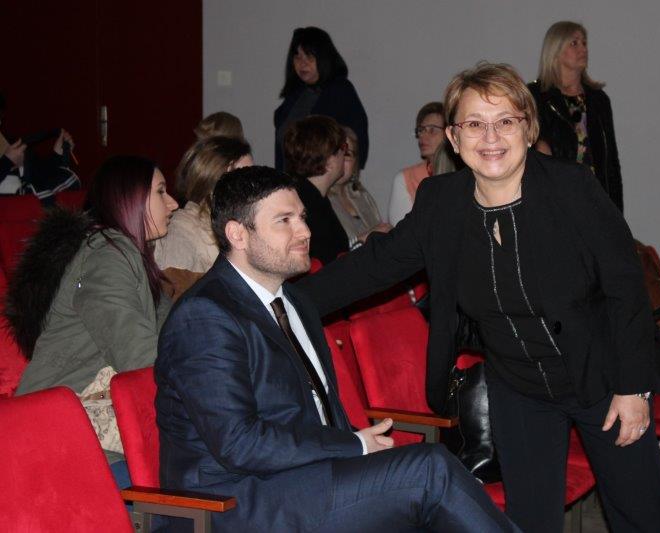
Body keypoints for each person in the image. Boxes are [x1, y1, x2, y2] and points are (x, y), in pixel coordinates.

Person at [297, 63, 660, 532]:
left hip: (602, 375)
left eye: (505, 121)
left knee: (641, 513)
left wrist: (633, 387)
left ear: (528, 127)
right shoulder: (441, 202)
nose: (491, 137)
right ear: (454, 139)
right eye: (475, 123)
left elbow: (625, 286)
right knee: (529, 521)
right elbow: (373, 265)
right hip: (519, 388)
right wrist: (275, 300)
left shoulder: (572, 187)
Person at [154, 165, 519, 532]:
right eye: (284, 220)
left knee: (430, 482)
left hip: (305, 481)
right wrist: (353, 446)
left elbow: (318, 412)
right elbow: (239, 443)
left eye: (302, 217)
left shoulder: (295, 303)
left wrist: (356, 449)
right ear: (238, 234)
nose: (304, 231)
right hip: (237, 502)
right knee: (429, 470)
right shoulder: (205, 315)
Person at [7, 155, 178, 486]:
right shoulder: (107, 256)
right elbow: (138, 356)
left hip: (90, 432)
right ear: (128, 199)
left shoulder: (129, 257)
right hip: (61, 434)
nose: (173, 203)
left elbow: (177, 335)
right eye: (160, 192)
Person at [529, 21, 623, 212]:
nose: (583, 49)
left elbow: (611, 161)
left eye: (584, 43)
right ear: (555, 50)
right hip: (556, 199)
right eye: (574, 43)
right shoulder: (535, 96)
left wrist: (616, 213)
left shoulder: (598, 99)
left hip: (596, 198)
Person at [274, 26, 368, 171]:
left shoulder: (341, 91)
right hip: (289, 181)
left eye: (309, 56)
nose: (302, 63)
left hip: (328, 181)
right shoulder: (295, 94)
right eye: (297, 56)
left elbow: (357, 146)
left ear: (323, 59)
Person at [154, 136, 253, 274]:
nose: (252, 185)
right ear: (212, 181)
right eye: (243, 177)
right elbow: (175, 286)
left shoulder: (237, 224)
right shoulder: (181, 230)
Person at [283, 115, 349, 263]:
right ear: (329, 160)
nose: (345, 155)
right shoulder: (305, 204)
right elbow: (328, 259)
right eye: (343, 148)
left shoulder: (310, 195)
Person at [328, 126, 391, 249]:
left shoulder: (361, 195)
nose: (341, 160)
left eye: (347, 154)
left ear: (355, 162)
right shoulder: (320, 199)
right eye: (336, 153)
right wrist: (363, 239)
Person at [387, 102, 446, 225]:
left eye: (432, 130)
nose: (422, 136)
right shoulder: (405, 179)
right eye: (421, 130)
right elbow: (402, 229)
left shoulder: (465, 173)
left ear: (450, 133)